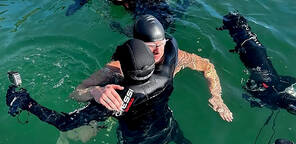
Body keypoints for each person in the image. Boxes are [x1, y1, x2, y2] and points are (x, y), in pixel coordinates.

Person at [6, 39, 192, 144]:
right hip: (169, 129)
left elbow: (65, 123)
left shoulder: (116, 98)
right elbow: (172, 43)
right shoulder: (165, 74)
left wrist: (27, 103)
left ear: (123, 68)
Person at [71, 14, 234, 122]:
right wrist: (95, 91)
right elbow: (76, 93)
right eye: (150, 46)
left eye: (161, 44)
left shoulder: (176, 57)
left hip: (162, 109)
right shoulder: (118, 66)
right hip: (132, 114)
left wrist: (216, 96)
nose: (157, 50)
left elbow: (208, 66)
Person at [217, 12, 296, 143]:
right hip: (266, 77)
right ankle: (234, 23)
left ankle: (234, 23)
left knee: (255, 54)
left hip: (266, 75)